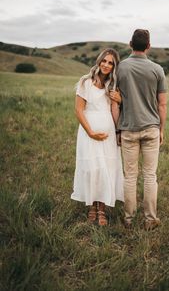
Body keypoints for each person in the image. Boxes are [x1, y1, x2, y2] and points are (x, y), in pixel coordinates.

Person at [117, 29, 167, 230]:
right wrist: (161, 129)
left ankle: (128, 220)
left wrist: (117, 129)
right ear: (148, 46)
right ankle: (150, 219)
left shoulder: (120, 68)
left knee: (130, 176)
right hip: (151, 129)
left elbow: (114, 100)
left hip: (128, 129)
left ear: (130, 44)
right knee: (150, 176)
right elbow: (162, 104)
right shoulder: (157, 69)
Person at [71, 48, 124, 226]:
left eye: (111, 63)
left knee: (106, 168)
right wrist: (91, 132)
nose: (106, 65)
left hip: (108, 132)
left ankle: (102, 208)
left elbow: (115, 111)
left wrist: (120, 101)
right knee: (92, 167)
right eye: (104, 61)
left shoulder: (113, 85)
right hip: (89, 132)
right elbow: (78, 110)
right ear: (99, 61)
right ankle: (92, 206)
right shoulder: (85, 82)